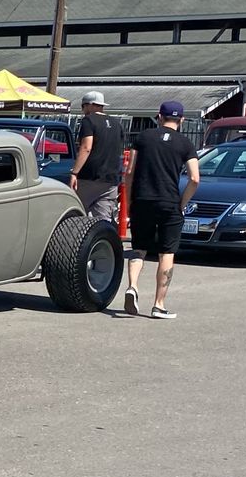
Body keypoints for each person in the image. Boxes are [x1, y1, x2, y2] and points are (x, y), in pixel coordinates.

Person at [123, 100, 200, 320]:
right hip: (169, 202)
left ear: (159, 117)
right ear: (182, 120)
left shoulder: (143, 138)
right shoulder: (185, 144)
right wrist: (182, 204)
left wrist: (130, 201)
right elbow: (194, 179)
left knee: (139, 247)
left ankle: (133, 286)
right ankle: (158, 304)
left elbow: (129, 172)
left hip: (142, 199)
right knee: (167, 252)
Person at [70, 90, 126, 221]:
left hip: (89, 177)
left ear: (89, 105)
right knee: (102, 219)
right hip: (110, 179)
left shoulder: (88, 121)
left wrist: (74, 172)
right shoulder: (117, 124)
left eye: (83, 107)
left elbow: (86, 147)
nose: (83, 110)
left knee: (77, 214)